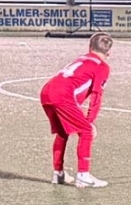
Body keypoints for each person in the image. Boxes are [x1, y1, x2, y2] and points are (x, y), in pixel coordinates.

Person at [40, 32, 114, 188]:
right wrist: (90, 121)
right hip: (63, 96)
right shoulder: (102, 67)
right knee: (86, 131)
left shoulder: (81, 59)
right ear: (109, 52)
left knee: (62, 132)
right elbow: (96, 96)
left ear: (90, 47)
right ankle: (83, 175)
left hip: (47, 91)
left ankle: (58, 173)